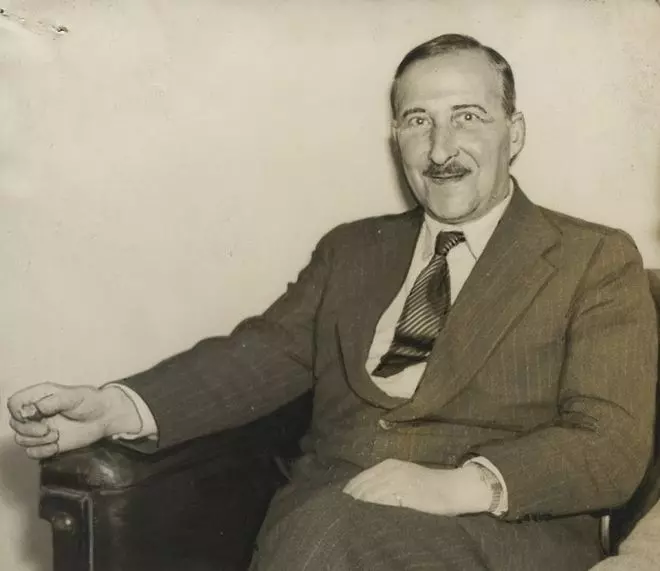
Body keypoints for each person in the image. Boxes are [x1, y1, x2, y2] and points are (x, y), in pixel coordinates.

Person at [7, 34, 658, 571]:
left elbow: (610, 443)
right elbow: (259, 354)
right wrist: (116, 406)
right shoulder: (352, 250)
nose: (441, 149)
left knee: (326, 534)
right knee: (321, 528)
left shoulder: (593, 258)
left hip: (494, 533)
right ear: (396, 139)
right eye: (418, 121)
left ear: (513, 133)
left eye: (468, 116)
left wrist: (459, 484)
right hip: (326, 515)